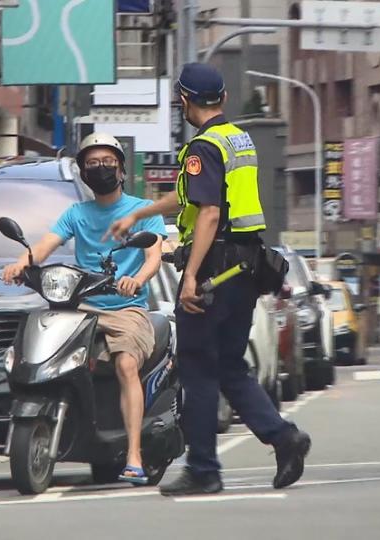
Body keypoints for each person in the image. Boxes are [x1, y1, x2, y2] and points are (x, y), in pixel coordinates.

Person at [105, 62, 311, 496]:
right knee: (231, 365)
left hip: (215, 272)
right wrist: (139, 213)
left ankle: (203, 469)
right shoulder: (237, 139)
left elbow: (210, 213)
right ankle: (283, 437)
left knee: (197, 367)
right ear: (222, 99)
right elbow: (191, 197)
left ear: (183, 100)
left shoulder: (202, 148)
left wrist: (192, 277)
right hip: (246, 268)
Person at [1, 132, 167, 485]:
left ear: (121, 170)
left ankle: (134, 455)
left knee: (125, 364)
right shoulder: (76, 213)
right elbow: (44, 247)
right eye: (92, 164)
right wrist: (21, 264)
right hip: (80, 309)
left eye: (107, 163)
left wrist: (136, 279)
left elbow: (153, 256)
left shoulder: (141, 212)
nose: (100, 169)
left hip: (126, 309)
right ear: (83, 172)